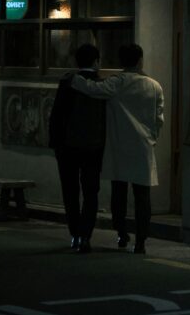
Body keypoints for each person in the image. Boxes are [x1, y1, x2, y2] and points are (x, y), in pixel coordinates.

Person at [72, 44, 164, 254]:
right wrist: (152, 138)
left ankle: (121, 231)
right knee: (142, 195)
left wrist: (75, 79)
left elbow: (92, 89)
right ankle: (141, 241)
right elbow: (159, 119)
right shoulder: (154, 86)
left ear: (121, 62)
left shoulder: (116, 82)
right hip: (143, 146)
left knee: (119, 192)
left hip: (119, 144)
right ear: (140, 60)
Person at [48, 43, 106, 254]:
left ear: (77, 61)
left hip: (67, 147)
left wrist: (55, 143)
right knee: (91, 192)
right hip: (93, 147)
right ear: (96, 61)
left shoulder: (67, 82)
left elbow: (56, 115)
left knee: (70, 191)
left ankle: (74, 233)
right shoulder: (102, 85)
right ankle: (85, 235)